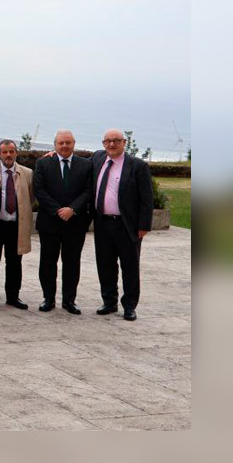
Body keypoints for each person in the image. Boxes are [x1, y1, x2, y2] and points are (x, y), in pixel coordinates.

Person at [91, 129, 154, 321]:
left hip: (127, 225)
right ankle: (109, 302)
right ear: (103, 143)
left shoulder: (137, 165)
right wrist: (53, 154)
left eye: (116, 141)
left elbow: (146, 199)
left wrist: (143, 226)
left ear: (124, 142)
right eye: (108, 141)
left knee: (130, 266)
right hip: (102, 224)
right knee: (105, 265)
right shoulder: (97, 158)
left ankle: (129, 306)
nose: (112, 144)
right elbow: (77, 164)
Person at [33, 130, 94, 314]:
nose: (64, 146)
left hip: (75, 223)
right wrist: (58, 210)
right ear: (55, 145)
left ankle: (69, 301)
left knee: (72, 263)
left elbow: (88, 191)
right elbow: (39, 190)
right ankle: (48, 299)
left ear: (74, 144)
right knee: (47, 263)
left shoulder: (86, 165)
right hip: (50, 222)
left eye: (68, 142)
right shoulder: (43, 163)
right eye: (61, 143)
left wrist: (72, 209)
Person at [0, 139, 34, 309]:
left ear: (16, 153)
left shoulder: (27, 173)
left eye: (11, 151)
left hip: (16, 225)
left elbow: (31, 197)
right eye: (4, 152)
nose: (8, 155)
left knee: (14, 263)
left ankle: (13, 297)